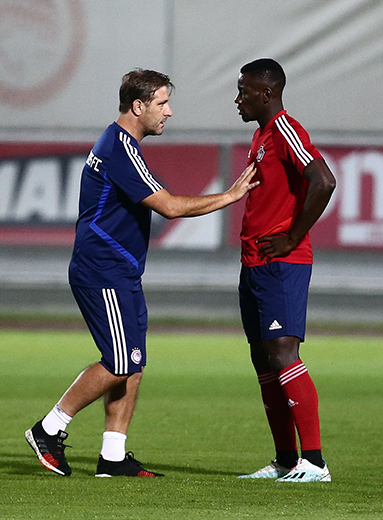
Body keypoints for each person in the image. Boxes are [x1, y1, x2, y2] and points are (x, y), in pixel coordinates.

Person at [25, 68, 258, 478]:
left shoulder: (119, 144)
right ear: (138, 106)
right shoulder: (121, 149)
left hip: (121, 272)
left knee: (132, 361)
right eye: (162, 103)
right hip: (102, 270)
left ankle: (113, 457)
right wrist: (230, 195)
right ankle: (49, 428)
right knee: (119, 361)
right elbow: (170, 207)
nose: (169, 112)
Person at [234, 59, 336, 482]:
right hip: (254, 263)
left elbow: (324, 181)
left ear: (266, 93)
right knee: (263, 359)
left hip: (282, 263)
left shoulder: (285, 129)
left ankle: (314, 461)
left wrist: (292, 237)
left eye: (243, 91)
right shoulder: (261, 135)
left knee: (283, 353)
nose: (238, 99)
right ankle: (285, 460)